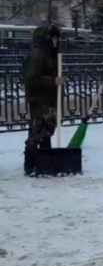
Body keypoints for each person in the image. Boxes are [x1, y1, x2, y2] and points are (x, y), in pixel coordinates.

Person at [23, 25, 66, 175]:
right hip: (39, 98)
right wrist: (53, 81)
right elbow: (32, 78)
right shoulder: (37, 55)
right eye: (53, 38)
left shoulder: (52, 55)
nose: (56, 41)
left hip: (50, 97)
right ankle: (30, 163)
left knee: (48, 128)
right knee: (37, 129)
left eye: (57, 38)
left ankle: (45, 161)